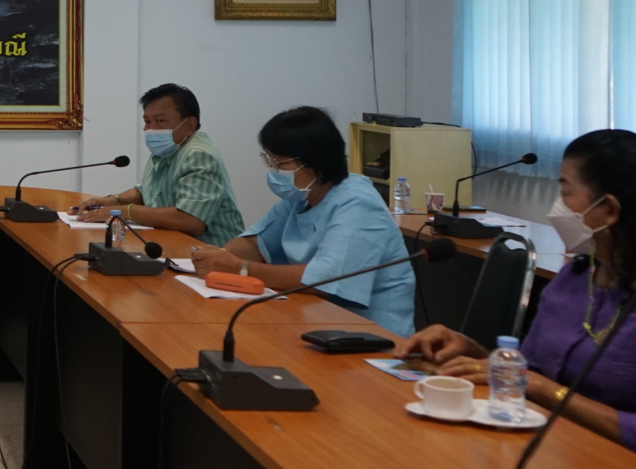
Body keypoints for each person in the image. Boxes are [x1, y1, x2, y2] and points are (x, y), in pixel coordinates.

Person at [397, 130, 636, 469]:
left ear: (610, 210)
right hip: (551, 460)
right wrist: (472, 351)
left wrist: (545, 390)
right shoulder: (575, 278)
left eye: (565, 191)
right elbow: (528, 373)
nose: (556, 206)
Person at [191, 106, 415, 337]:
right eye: (270, 161)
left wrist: (241, 269)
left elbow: (324, 281)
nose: (274, 171)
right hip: (316, 321)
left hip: (372, 336)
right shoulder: (300, 198)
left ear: (317, 162)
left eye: (281, 164)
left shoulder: (358, 203)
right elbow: (254, 244)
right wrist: (218, 257)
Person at [74, 83, 246, 246]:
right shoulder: (168, 147)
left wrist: (125, 212)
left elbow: (191, 221)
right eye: (147, 121)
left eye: (160, 121)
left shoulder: (198, 155)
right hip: (173, 246)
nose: (150, 129)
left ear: (189, 125)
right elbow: (147, 191)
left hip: (212, 254)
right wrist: (111, 201)